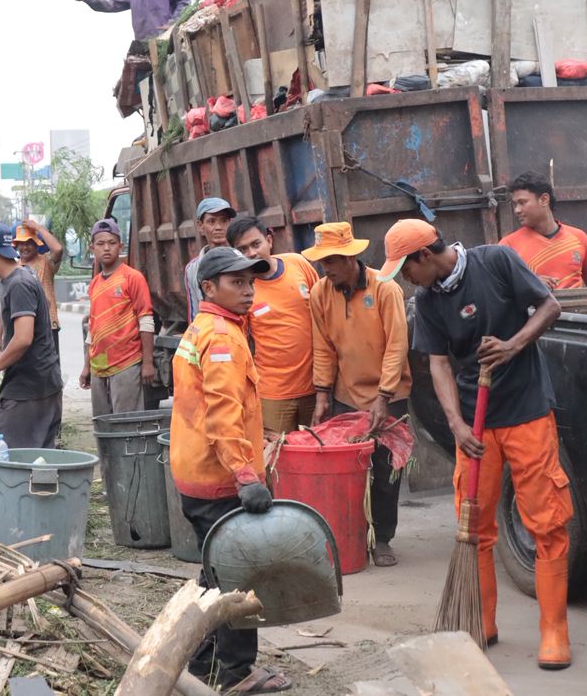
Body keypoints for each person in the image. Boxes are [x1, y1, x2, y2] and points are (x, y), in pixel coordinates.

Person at [384, 218, 572, 670]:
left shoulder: (497, 261)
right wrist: (456, 425)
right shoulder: (427, 300)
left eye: (404, 269)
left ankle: (554, 632)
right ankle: (481, 622)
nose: (404, 280)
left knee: (546, 520)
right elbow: (439, 365)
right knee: (474, 525)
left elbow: (549, 306)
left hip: (526, 410)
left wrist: (513, 345)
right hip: (475, 424)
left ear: (424, 257)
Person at [170, 247, 290, 694]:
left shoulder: (203, 327)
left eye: (250, 281)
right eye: (236, 282)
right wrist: (245, 475)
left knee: (213, 574)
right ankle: (237, 675)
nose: (248, 289)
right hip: (218, 478)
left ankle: (197, 662)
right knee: (239, 576)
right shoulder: (221, 336)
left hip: (196, 471)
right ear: (208, 287)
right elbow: (223, 416)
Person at [304, 221, 412, 567]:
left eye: (332, 261)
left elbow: (397, 344)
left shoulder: (384, 288)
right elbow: (322, 346)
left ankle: (383, 539)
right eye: (322, 263)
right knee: (346, 472)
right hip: (344, 394)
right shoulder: (321, 292)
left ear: (350, 257)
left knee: (384, 471)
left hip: (389, 395)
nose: (326, 269)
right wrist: (322, 393)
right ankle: (348, 535)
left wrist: (384, 395)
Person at [0, 222, 64, 449]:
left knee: (3, 453)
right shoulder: (19, 277)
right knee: (37, 462)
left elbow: (23, 339)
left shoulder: (19, 283)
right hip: (42, 384)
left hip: (29, 388)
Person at [226, 214, 319, 434]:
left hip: (315, 388)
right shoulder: (243, 290)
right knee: (276, 459)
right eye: (243, 249)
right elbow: (242, 344)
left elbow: (323, 314)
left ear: (269, 240)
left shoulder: (298, 265)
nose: (251, 253)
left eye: (256, 244)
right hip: (273, 394)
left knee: (317, 455)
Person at [499, 171, 587, 289]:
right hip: (535, 316)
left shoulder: (579, 237)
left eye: (522, 203)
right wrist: (529, 283)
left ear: (544, 199)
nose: (517, 210)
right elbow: (496, 288)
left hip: (577, 316)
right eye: (515, 204)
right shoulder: (507, 246)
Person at [79, 219, 155, 415]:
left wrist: (147, 363)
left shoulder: (132, 278)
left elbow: (145, 320)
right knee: (102, 424)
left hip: (127, 364)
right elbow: (93, 327)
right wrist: (87, 365)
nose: (106, 248)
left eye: (112, 243)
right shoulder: (95, 284)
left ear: (120, 246)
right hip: (98, 367)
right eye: (100, 244)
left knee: (126, 424)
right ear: (92, 248)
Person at [14, 217, 67, 348]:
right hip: (23, 329)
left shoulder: (46, 262)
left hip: (48, 326)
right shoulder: (14, 269)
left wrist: (38, 227)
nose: (24, 247)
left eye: (29, 243)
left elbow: (58, 249)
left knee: (51, 368)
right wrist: (0, 336)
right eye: (21, 243)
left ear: (37, 244)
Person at [183, 197, 237, 325]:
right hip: (212, 335)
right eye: (211, 221)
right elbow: (195, 314)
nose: (218, 227)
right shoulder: (192, 269)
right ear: (200, 226)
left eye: (224, 221)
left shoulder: (243, 260)